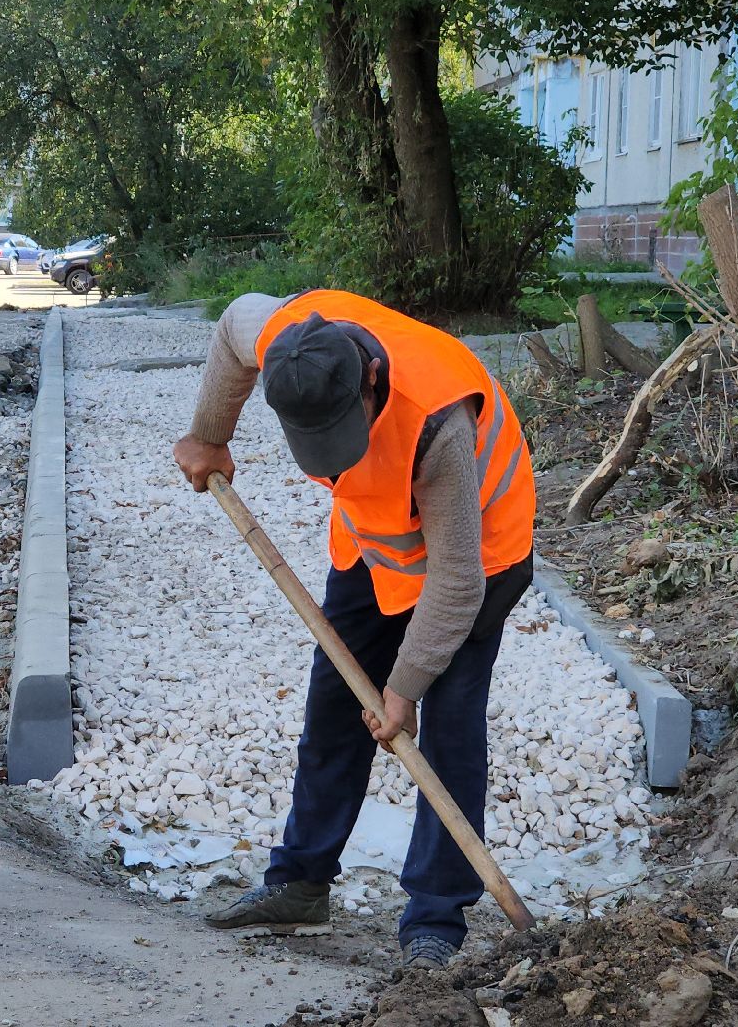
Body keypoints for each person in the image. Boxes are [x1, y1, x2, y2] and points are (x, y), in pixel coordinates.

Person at [172, 289, 537, 971]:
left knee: (448, 728)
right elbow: (229, 328)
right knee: (335, 704)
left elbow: (455, 583)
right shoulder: (288, 337)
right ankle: (300, 884)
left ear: (370, 380)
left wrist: (402, 689)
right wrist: (208, 435)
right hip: (378, 542)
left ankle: (435, 920)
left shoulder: (440, 423)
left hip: (480, 552)